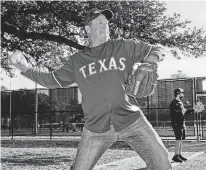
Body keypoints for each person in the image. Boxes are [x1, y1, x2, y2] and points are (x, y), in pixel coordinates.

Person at [9, 8, 172, 170]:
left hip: (131, 119)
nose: (105, 25)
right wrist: (25, 68)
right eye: (100, 22)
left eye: (107, 23)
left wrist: (150, 62)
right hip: (96, 127)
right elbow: (52, 80)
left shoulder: (123, 46)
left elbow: (156, 49)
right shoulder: (77, 60)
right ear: (88, 29)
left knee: (161, 160)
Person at [169, 88, 188, 163]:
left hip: (181, 123)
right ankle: (176, 155)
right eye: (182, 93)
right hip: (176, 123)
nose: (183, 94)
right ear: (178, 93)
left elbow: (184, 112)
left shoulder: (180, 102)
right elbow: (182, 112)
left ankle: (179, 154)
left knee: (180, 139)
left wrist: (194, 109)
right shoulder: (174, 103)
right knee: (178, 139)